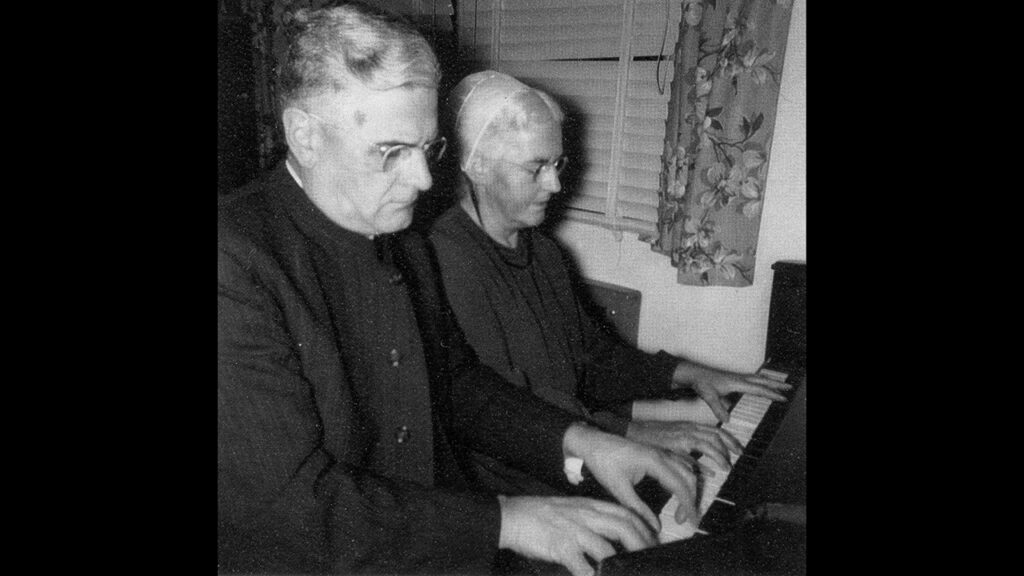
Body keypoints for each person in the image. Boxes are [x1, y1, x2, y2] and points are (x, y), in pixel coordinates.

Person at [218, 4, 701, 575]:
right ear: (304, 135)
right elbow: (286, 509)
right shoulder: (237, 261)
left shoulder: (407, 243)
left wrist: (578, 440)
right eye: (390, 151)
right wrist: (507, 520)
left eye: (429, 149)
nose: (423, 180)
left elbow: (454, 384)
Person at [428, 71, 792, 495]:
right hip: (512, 482)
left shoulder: (544, 253)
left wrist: (686, 373)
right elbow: (505, 410)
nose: (556, 184)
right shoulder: (444, 260)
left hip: (578, 441)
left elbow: (594, 359)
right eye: (536, 168)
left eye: (557, 163)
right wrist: (637, 432)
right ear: (478, 167)